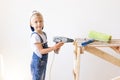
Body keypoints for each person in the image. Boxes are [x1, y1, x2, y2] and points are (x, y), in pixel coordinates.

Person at [29, 11, 64, 80]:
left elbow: (46, 48)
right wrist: (54, 47)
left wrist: (56, 47)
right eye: (36, 22)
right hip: (37, 62)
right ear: (31, 24)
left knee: (42, 77)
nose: (39, 23)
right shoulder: (35, 36)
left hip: (43, 62)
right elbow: (41, 51)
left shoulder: (43, 34)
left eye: (40, 21)